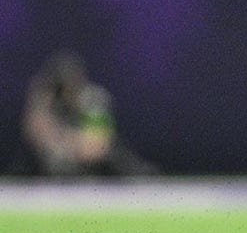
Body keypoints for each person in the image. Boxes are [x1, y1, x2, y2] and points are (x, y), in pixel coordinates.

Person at [19, 49, 157, 177]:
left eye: (70, 83)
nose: (67, 91)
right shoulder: (48, 101)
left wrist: (67, 141)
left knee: (114, 157)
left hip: (97, 165)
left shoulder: (93, 99)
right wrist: (41, 99)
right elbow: (35, 133)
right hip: (58, 161)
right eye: (61, 86)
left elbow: (97, 146)